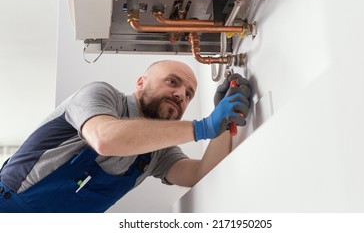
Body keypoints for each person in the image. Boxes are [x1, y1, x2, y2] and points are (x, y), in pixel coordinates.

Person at [0, 60, 251, 213]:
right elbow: (105, 138)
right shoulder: (102, 95)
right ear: (140, 83)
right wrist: (203, 127)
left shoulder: (157, 151)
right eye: (172, 82)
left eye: (188, 94)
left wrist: (223, 125)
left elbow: (199, 174)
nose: (180, 95)